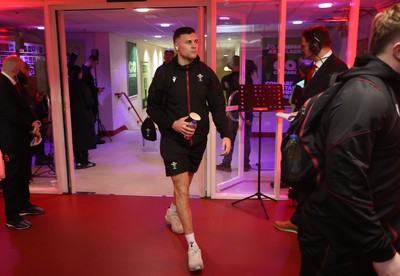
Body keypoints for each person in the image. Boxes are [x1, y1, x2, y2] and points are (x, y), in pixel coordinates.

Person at [299, 4, 400, 274]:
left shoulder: (385, 91)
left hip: (364, 238)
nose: (302, 50)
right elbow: (345, 182)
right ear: (398, 50)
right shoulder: (364, 96)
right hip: (338, 246)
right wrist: (383, 253)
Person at [147, 26, 231, 272]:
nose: (195, 45)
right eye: (189, 42)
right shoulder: (163, 73)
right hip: (173, 141)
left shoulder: (205, 73)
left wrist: (225, 133)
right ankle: (193, 247)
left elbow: (217, 105)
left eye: (196, 41)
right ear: (177, 46)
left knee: (185, 183)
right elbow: (152, 107)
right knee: (182, 188)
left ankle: (173, 212)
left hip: (197, 141)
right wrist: (171, 123)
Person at [274, 25, 348, 234]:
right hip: (307, 134)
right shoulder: (314, 68)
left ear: (316, 44)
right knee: (303, 179)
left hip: (321, 137)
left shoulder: (339, 69)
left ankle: (306, 223)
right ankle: (300, 220)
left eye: (305, 45)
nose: (302, 49)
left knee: (315, 181)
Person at [0, 55, 45, 230]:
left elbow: (25, 108)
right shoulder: (2, 85)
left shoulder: (14, 85)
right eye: (23, 68)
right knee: (13, 177)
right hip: (10, 140)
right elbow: (11, 113)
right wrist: (30, 128)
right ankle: (12, 216)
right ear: (16, 69)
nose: (26, 71)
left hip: (21, 138)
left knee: (24, 173)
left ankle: (23, 205)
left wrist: (35, 123)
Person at [216, 56, 254, 172]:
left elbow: (221, 90)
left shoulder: (226, 78)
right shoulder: (248, 78)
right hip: (247, 110)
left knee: (230, 137)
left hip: (232, 111)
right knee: (246, 138)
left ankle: (226, 164)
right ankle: (245, 165)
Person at [68, 65, 97, 169]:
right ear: (78, 73)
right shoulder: (82, 86)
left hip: (71, 116)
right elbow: (89, 101)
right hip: (83, 116)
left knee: (75, 139)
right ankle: (84, 161)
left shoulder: (67, 85)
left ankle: (78, 161)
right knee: (84, 139)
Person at [81, 55, 105, 144]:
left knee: (91, 121)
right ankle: (91, 139)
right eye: (95, 63)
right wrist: (97, 90)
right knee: (90, 122)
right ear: (91, 61)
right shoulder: (86, 73)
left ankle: (91, 138)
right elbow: (88, 88)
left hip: (88, 102)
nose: (95, 66)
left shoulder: (84, 71)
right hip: (89, 102)